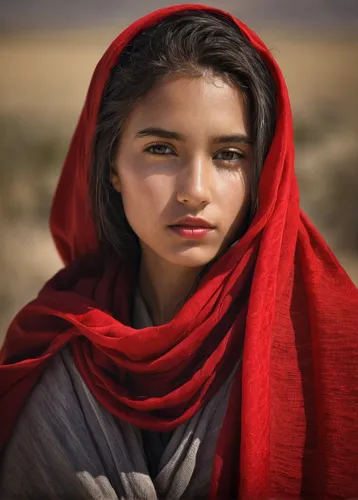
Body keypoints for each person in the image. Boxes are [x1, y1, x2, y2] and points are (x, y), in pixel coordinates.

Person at [0, 4, 357, 499]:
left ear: (264, 176)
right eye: (161, 149)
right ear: (112, 167)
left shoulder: (328, 346)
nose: (195, 190)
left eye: (229, 155)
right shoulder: (56, 349)